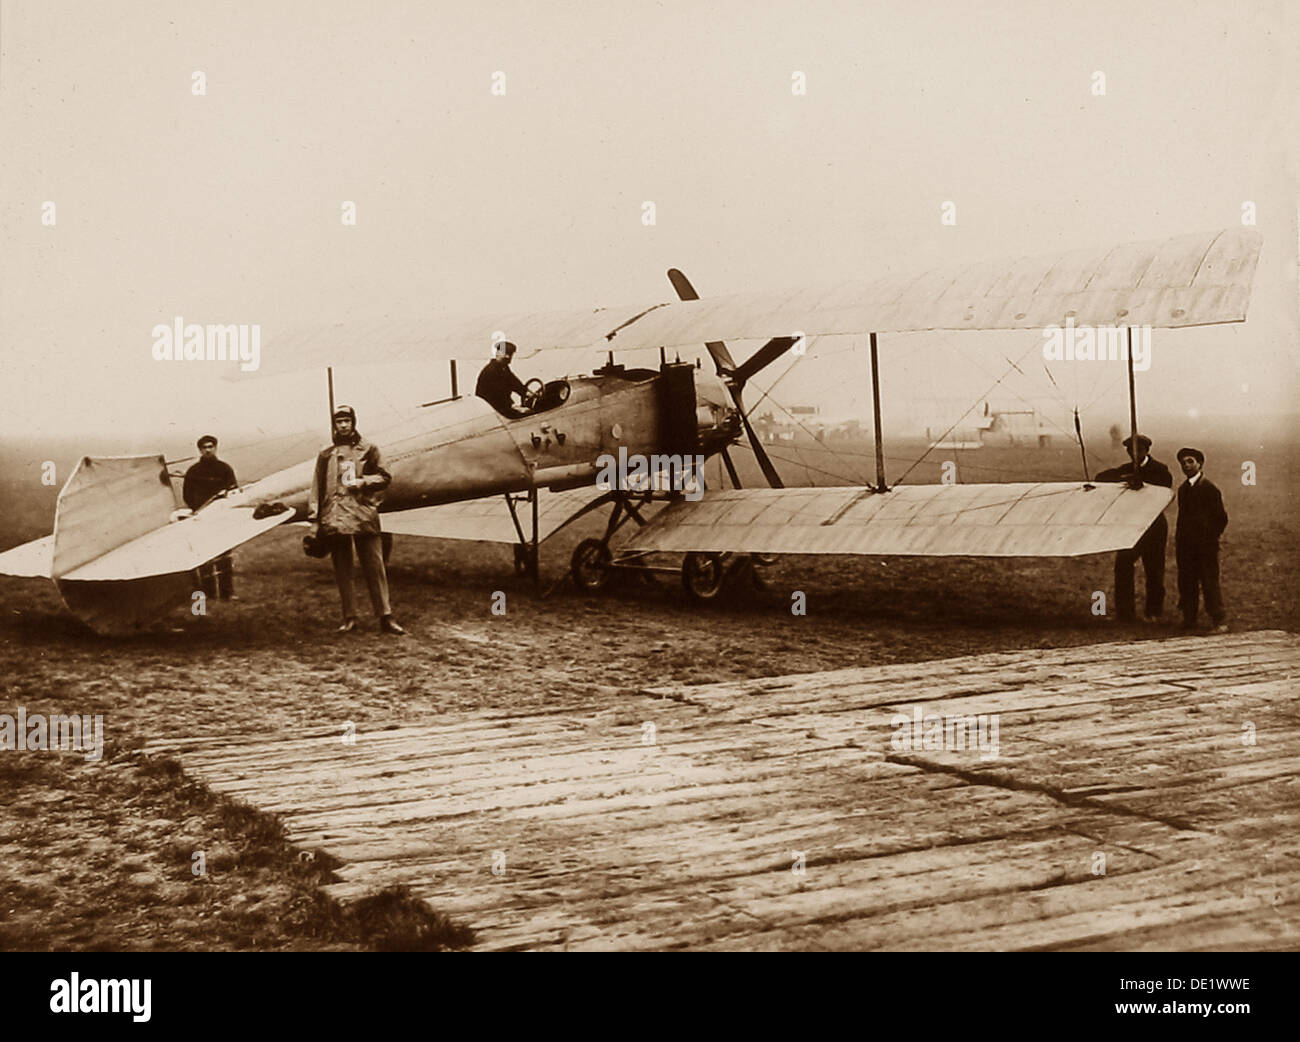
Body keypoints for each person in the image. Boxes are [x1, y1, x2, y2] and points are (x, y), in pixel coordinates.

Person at [311, 406, 405, 635]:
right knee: (342, 569)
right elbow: (317, 487)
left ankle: (386, 616)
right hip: (335, 516)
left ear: (354, 422)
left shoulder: (368, 448)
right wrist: (315, 519)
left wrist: (363, 482)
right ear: (334, 425)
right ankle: (349, 617)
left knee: (375, 566)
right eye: (339, 421)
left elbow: (385, 476)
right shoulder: (326, 453)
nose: (343, 425)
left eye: (347, 421)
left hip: (363, 513)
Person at [1094, 434, 1173, 622]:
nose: (1134, 454)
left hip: (1153, 526)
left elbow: (1165, 489)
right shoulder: (1127, 469)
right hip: (1130, 527)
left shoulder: (1160, 470)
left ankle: (1153, 612)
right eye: (1130, 451)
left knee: (1154, 569)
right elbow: (1101, 478)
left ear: (1147, 451)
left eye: (1138, 450)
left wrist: (1142, 484)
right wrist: (1125, 478)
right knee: (1123, 566)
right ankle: (1125, 613)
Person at [1174, 447, 1228, 633]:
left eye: (1190, 461)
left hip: (1205, 547)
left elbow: (1221, 518)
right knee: (1187, 582)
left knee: (1209, 582)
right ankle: (1189, 619)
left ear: (1200, 464)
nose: (1186, 465)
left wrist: (1209, 538)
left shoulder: (1209, 488)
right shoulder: (1183, 489)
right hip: (1186, 547)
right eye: (1183, 462)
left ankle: (1219, 620)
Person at [183, 435, 238, 600]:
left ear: (215, 448)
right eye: (205, 447)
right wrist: (198, 509)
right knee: (205, 555)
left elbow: (233, 490)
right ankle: (209, 592)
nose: (208, 450)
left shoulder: (225, 469)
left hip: (221, 516)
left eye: (211, 446)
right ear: (200, 450)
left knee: (224, 554)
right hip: (202, 517)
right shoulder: (193, 471)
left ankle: (227, 593)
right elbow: (187, 495)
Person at [475, 341, 530, 417]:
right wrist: (512, 406)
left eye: (510, 354)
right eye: (505, 353)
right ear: (497, 354)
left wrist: (526, 393)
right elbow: (498, 394)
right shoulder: (491, 371)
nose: (508, 356)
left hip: (499, 407)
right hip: (493, 410)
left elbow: (513, 382)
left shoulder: (503, 368)